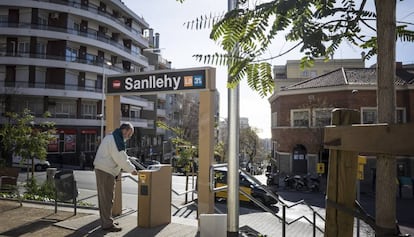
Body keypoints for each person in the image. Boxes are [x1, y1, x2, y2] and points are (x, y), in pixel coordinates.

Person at [93, 122, 138, 232]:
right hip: (105, 171)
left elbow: (120, 156)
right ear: (125, 130)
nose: (129, 136)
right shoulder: (116, 140)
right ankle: (107, 224)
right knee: (107, 199)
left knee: (106, 198)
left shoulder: (113, 136)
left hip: (104, 169)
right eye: (130, 134)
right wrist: (132, 170)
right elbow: (120, 158)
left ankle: (107, 220)